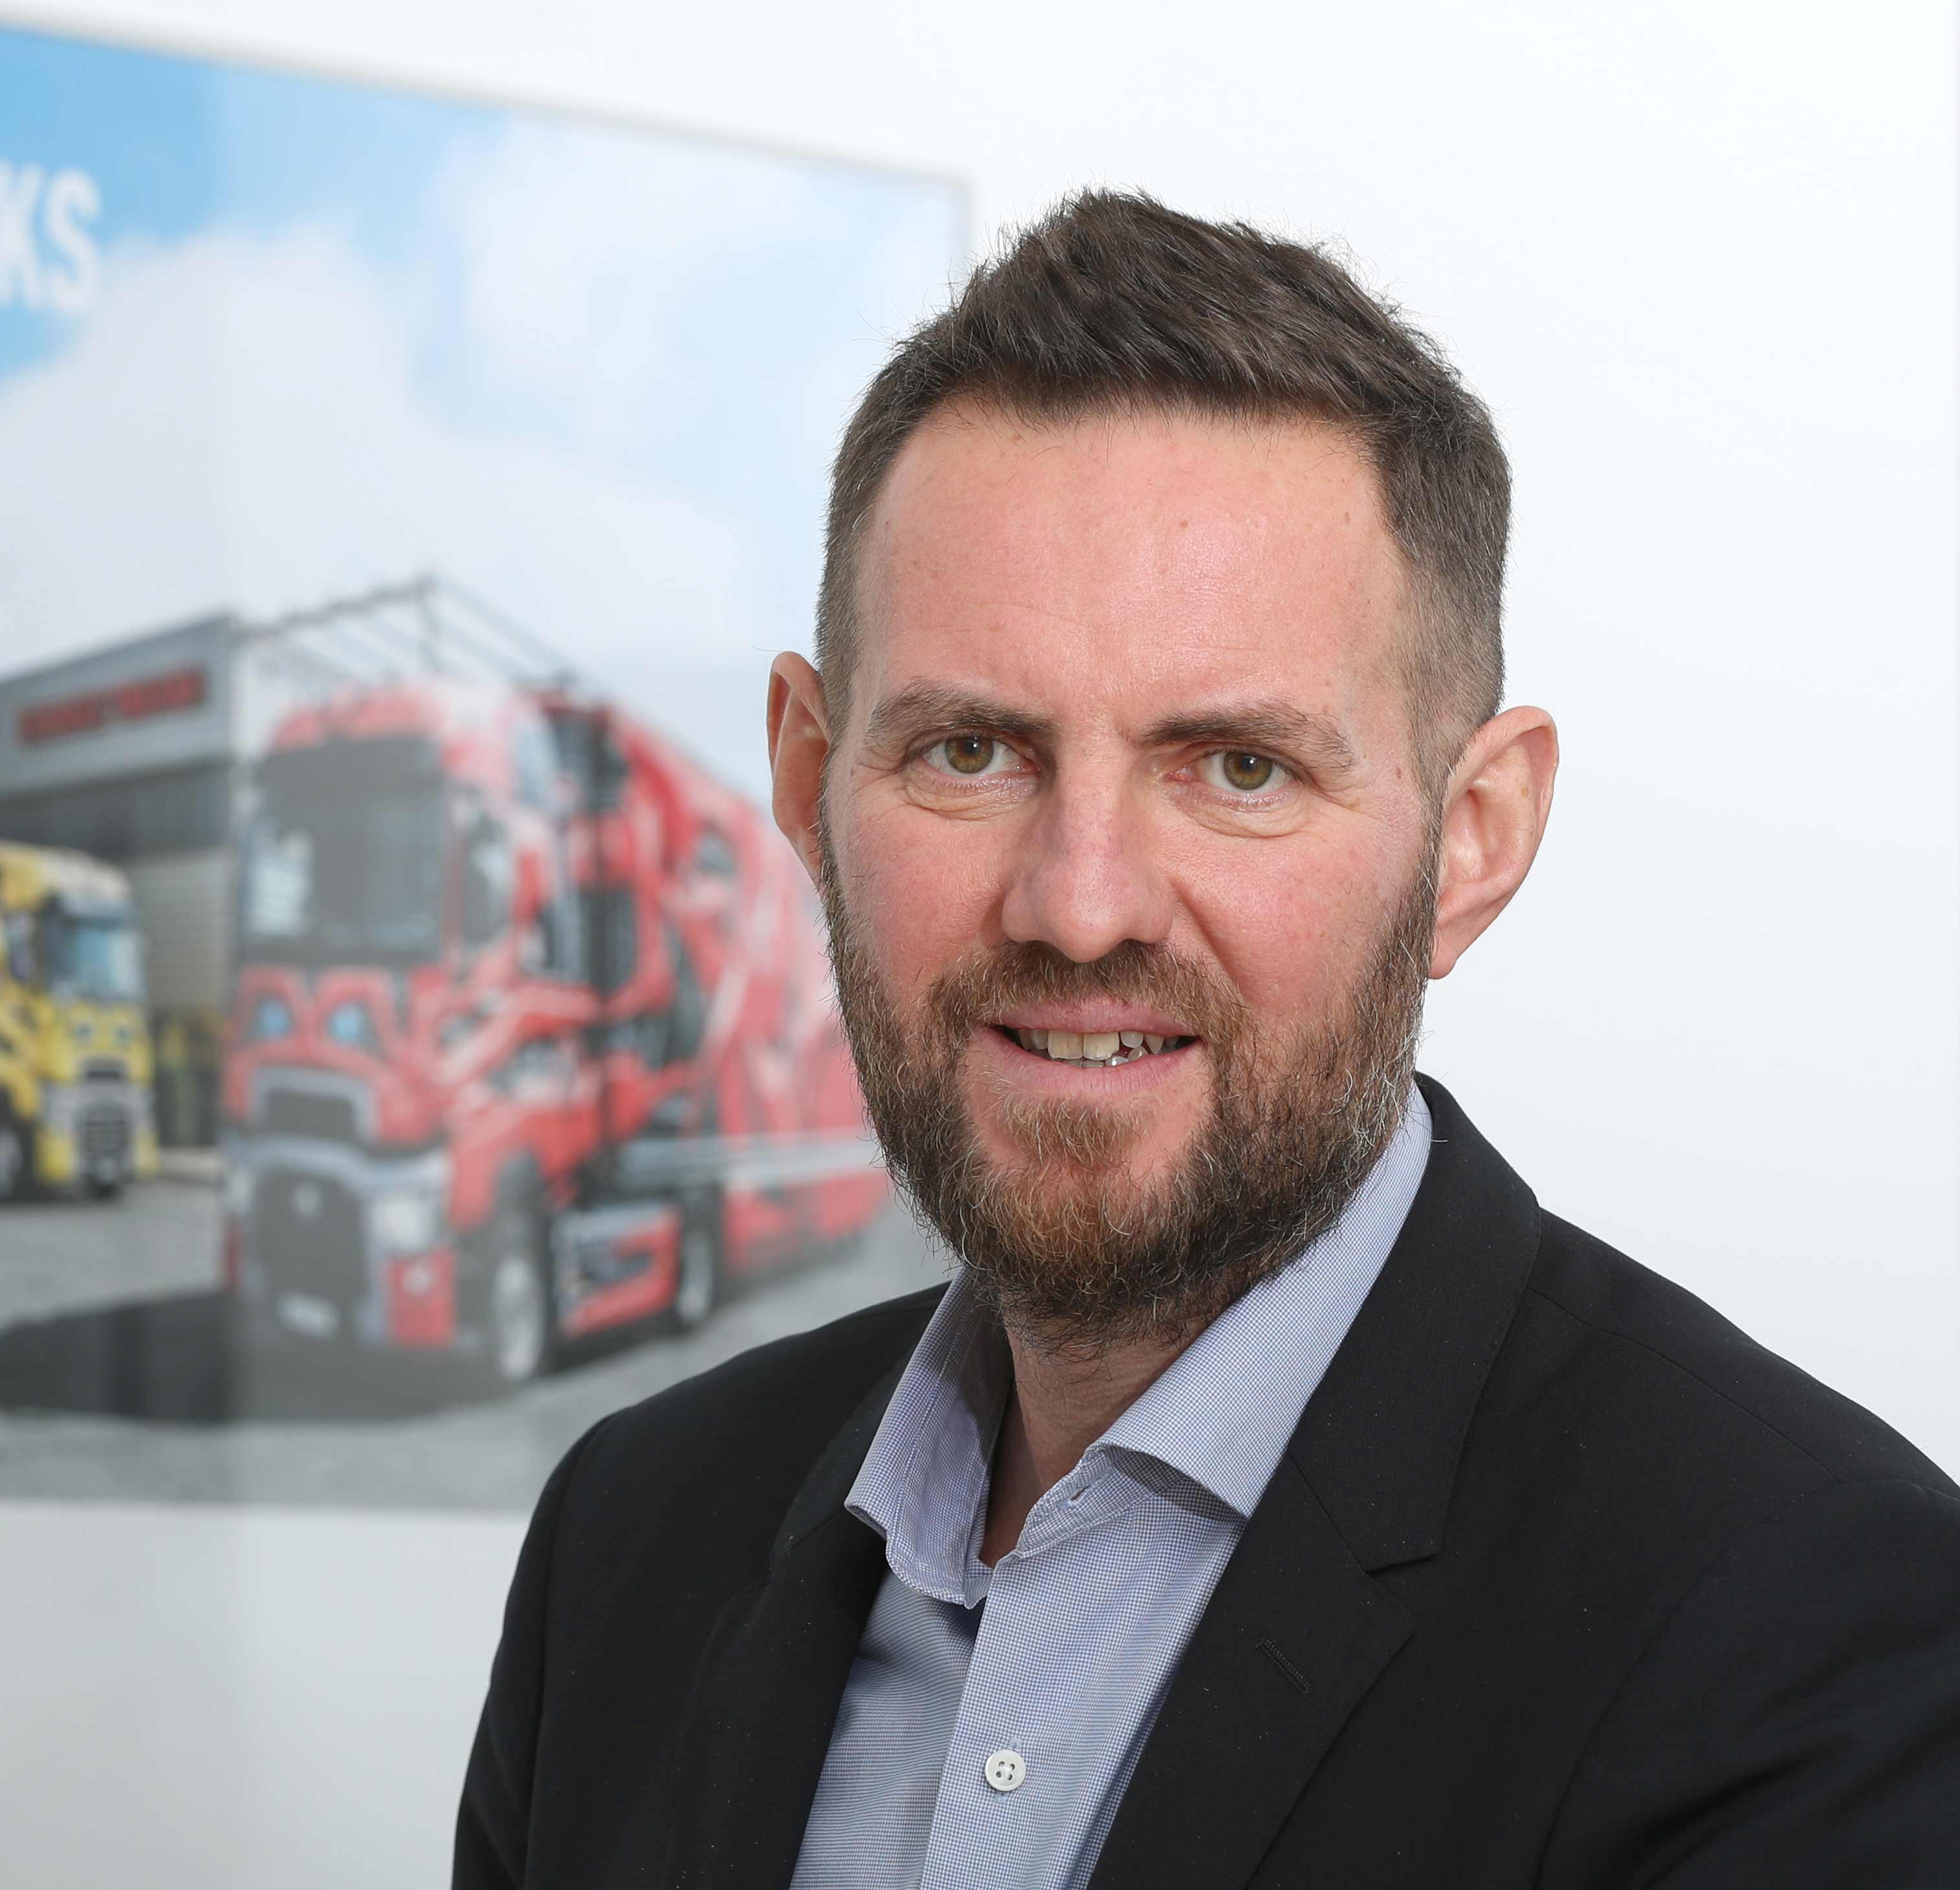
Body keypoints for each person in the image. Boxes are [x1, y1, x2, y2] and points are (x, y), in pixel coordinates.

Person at [453, 191, 1960, 1889]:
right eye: (971, 752)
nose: (1082, 905)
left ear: (1472, 841)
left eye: (1239, 768)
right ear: (810, 782)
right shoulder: (630, 1540)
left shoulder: (1813, 1627)